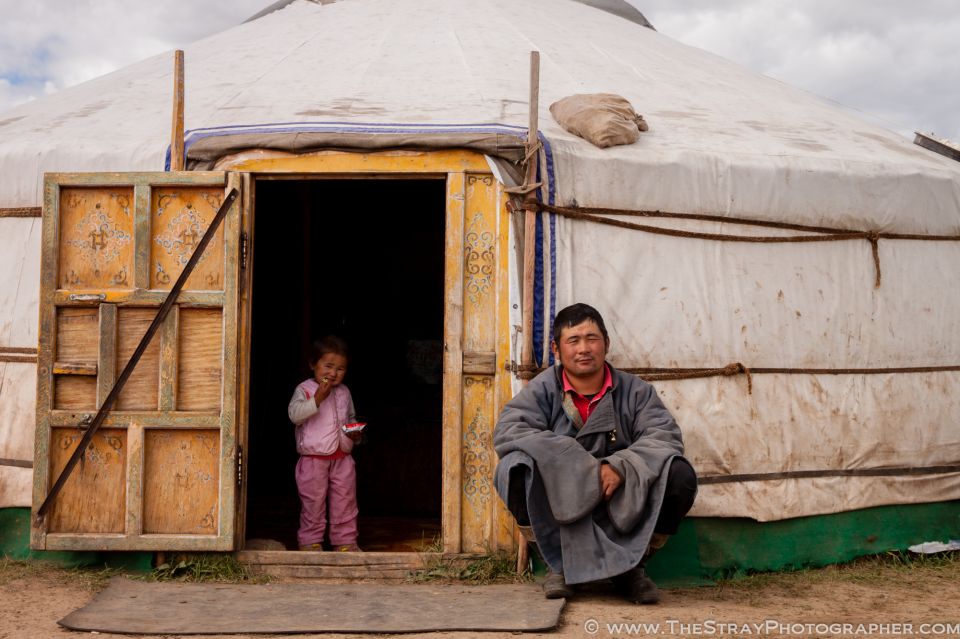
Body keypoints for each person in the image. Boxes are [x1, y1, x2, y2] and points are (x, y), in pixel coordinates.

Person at [494, 303, 697, 603]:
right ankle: (558, 564)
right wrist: (578, 466)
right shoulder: (542, 390)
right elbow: (510, 430)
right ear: (556, 349)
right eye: (573, 340)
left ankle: (633, 566)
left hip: (621, 497)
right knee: (512, 468)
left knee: (679, 474)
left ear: (606, 343)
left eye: (592, 338)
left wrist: (620, 466)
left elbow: (664, 436)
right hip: (562, 499)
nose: (584, 349)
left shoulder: (636, 392)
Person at [288, 335, 363, 552]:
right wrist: (317, 398)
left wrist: (355, 434)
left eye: (340, 369)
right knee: (313, 502)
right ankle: (310, 541)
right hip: (313, 460)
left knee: (345, 501)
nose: (333, 373)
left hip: (343, 458)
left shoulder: (344, 392)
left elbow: (350, 417)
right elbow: (295, 416)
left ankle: (345, 542)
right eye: (328, 366)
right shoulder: (304, 390)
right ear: (313, 364)